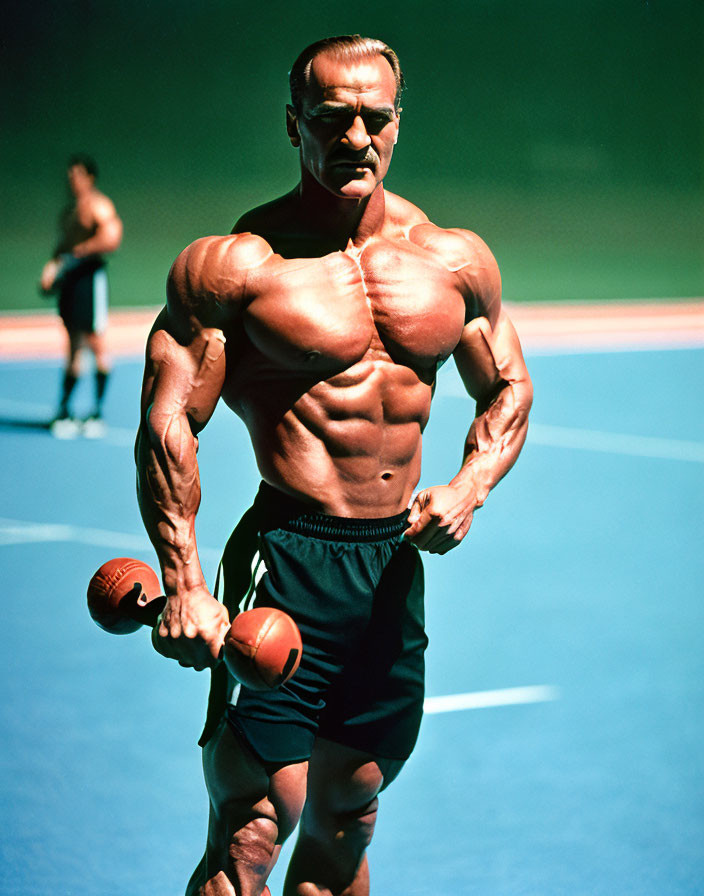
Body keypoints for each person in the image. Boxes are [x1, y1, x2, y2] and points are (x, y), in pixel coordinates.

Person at [135, 35, 533, 896]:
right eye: (330, 118)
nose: (355, 136)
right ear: (293, 126)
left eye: (374, 117)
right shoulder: (237, 267)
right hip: (287, 561)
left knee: (347, 821)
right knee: (249, 834)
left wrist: (469, 487)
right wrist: (188, 583)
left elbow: (507, 386)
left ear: (397, 121)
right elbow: (168, 425)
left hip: (392, 570)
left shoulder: (453, 259)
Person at [39, 154, 123, 438]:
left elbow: (112, 237)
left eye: (76, 175)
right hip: (72, 283)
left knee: (96, 342)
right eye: (69, 176)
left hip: (89, 280)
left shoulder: (99, 206)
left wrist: (75, 256)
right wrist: (51, 271)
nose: (71, 181)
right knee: (73, 345)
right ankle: (64, 411)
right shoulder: (70, 212)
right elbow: (61, 249)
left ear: (89, 178)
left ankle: (97, 414)